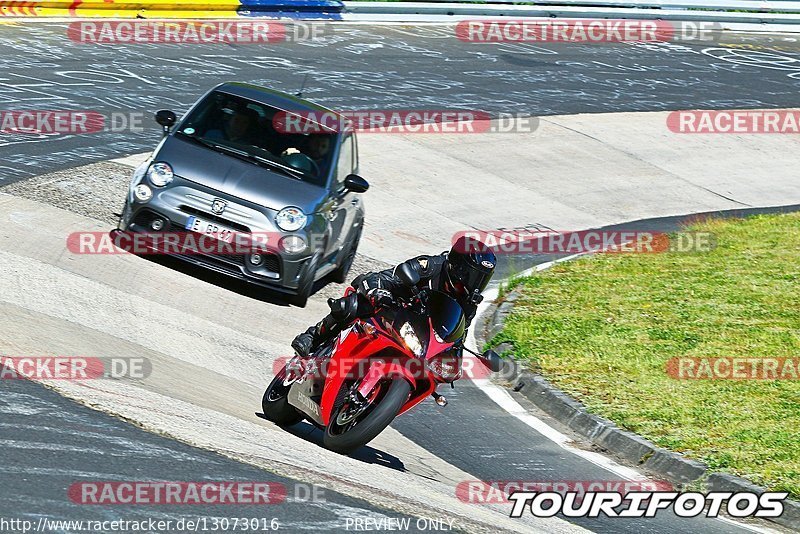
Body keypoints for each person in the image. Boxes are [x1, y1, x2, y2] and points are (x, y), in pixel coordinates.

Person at [291, 236, 496, 358]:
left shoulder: (469, 302)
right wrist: (379, 292)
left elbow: (459, 335)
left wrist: (455, 356)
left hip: (417, 334)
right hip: (390, 306)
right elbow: (387, 277)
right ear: (456, 266)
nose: (474, 284)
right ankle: (313, 336)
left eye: (481, 279)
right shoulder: (431, 266)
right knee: (354, 304)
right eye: (472, 276)